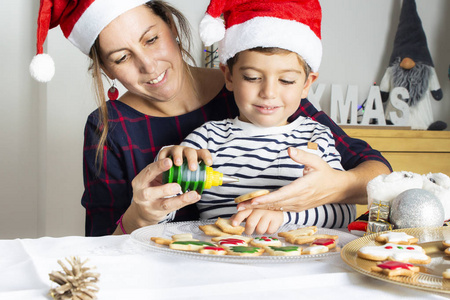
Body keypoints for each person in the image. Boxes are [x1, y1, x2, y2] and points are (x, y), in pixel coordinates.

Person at [30, 0, 391, 237]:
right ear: (106, 68)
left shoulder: (254, 90)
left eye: (152, 39)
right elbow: (100, 244)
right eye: (122, 57)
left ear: (171, 27)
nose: (148, 65)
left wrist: (330, 188)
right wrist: (139, 216)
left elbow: (377, 173)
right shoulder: (109, 128)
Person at [158, 0, 353, 235]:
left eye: (286, 80)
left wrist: (283, 217)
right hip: (219, 259)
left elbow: (344, 212)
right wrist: (164, 174)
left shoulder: (315, 137)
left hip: (298, 264)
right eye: (252, 77)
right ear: (229, 77)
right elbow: (164, 209)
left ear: (306, 84)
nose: (268, 93)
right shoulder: (207, 139)